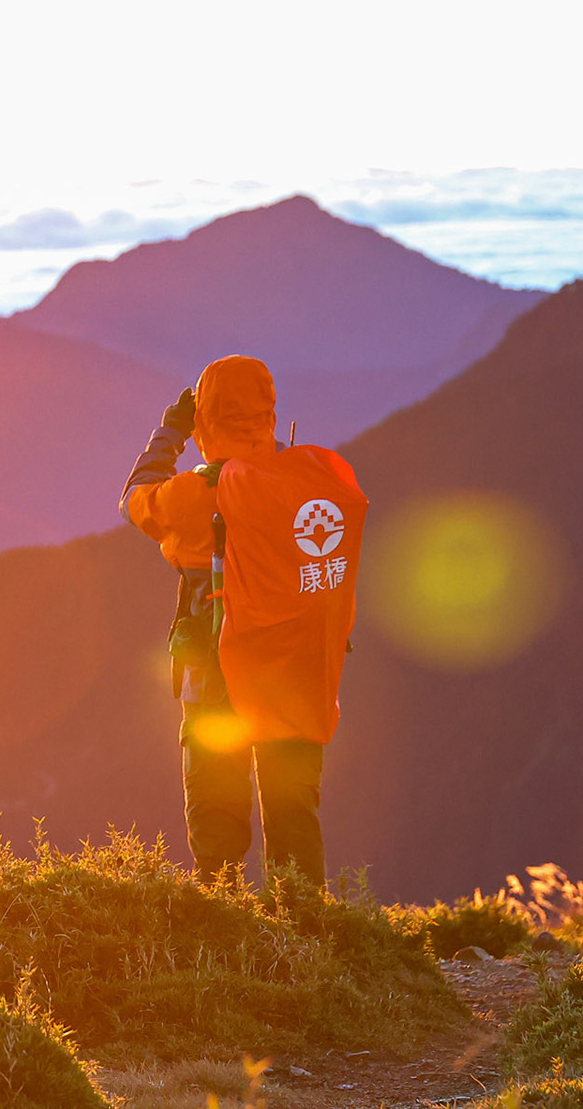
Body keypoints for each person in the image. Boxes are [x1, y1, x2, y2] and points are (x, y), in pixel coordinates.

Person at [120, 354, 358, 887]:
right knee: (295, 817)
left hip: (216, 677)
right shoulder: (313, 482)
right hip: (297, 674)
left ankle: (226, 927)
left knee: (218, 820)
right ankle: (304, 928)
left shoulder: (199, 492)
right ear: (269, 412)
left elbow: (135, 500)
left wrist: (171, 432)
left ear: (205, 419)